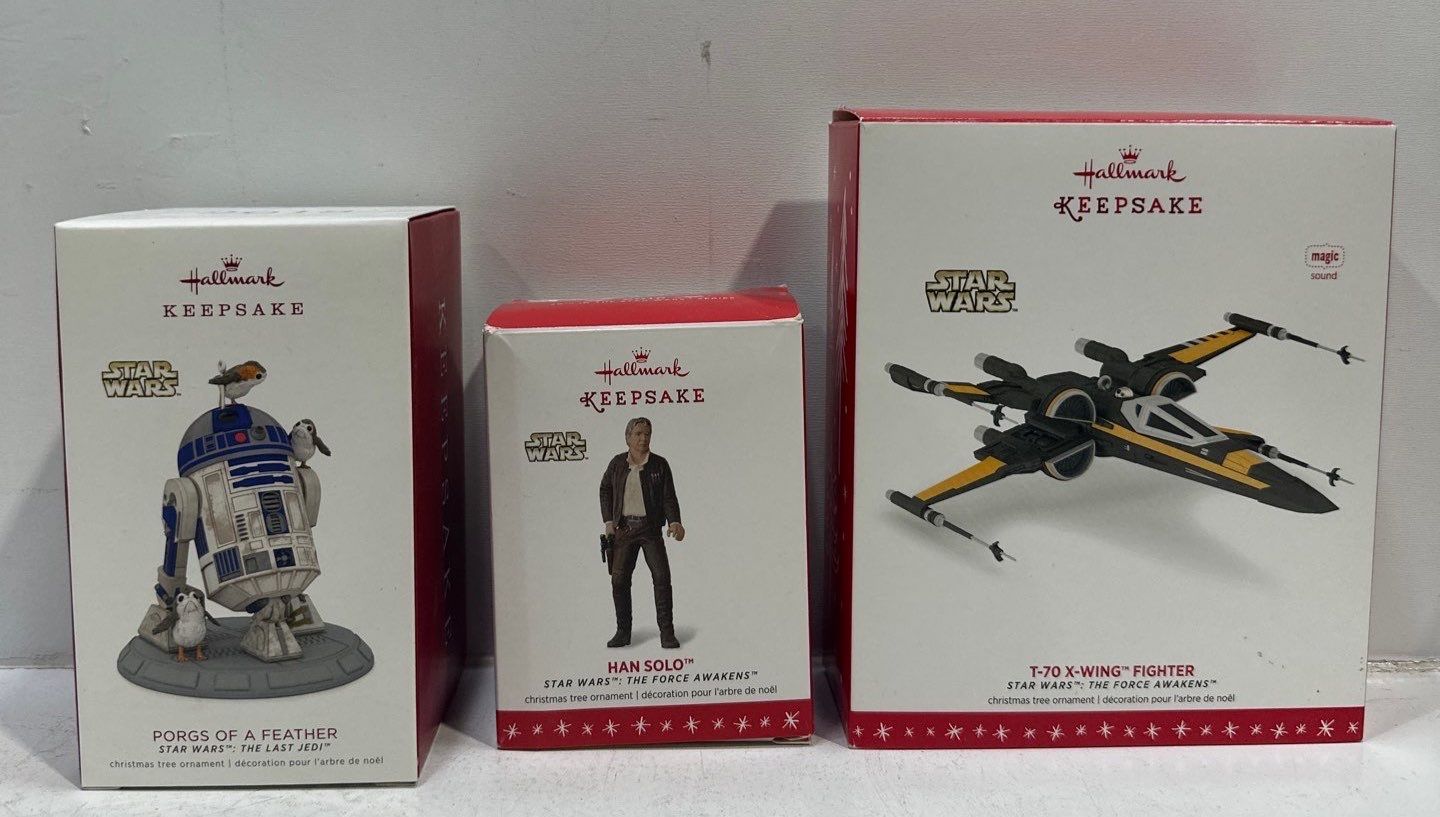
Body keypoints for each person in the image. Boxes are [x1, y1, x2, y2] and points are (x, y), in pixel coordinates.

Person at [598, 417, 684, 648]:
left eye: (647, 434)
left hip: (650, 530)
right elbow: (605, 489)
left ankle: (667, 632)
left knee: (662, 578)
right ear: (628, 438)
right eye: (637, 434)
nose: (643, 438)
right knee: (619, 580)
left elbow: (668, 496)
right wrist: (609, 521)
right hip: (624, 530)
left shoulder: (659, 464)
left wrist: (674, 521)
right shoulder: (617, 463)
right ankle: (623, 631)